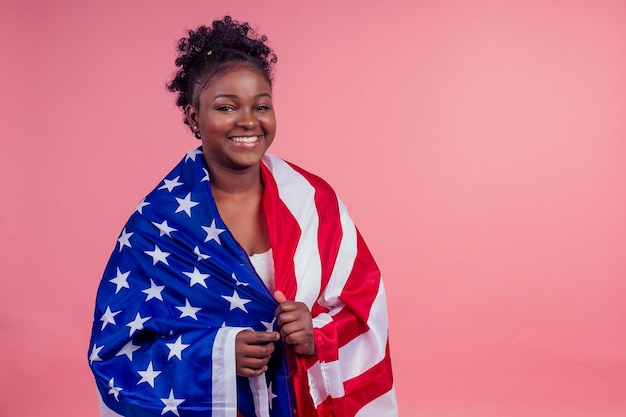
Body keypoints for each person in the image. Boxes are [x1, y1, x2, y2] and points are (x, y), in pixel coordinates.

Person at [88, 16, 397, 417]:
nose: (249, 121)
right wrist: (217, 354)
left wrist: (315, 334)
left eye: (261, 105)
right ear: (194, 115)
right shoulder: (157, 225)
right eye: (226, 107)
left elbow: (364, 305)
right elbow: (116, 353)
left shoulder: (312, 201)